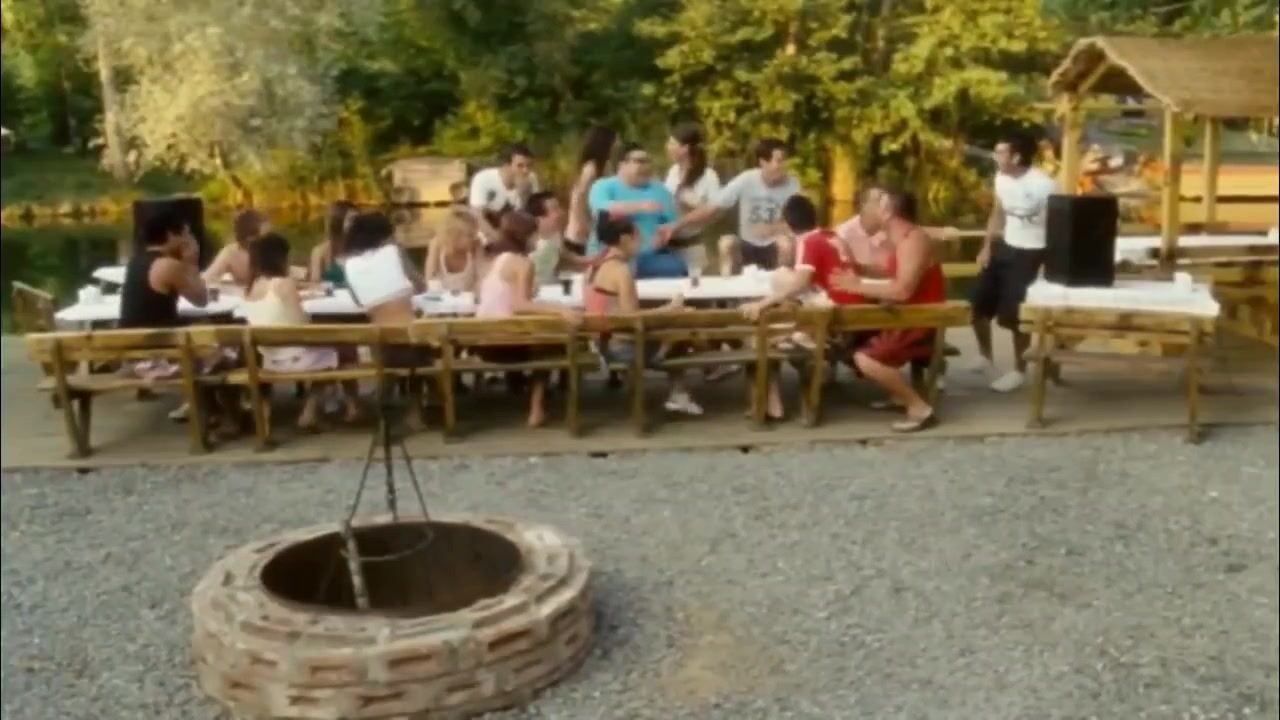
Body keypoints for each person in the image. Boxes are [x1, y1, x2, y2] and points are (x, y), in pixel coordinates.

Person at [828, 190, 947, 432]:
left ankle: (920, 408)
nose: (864, 210)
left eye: (872, 204)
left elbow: (902, 290)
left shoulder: (912, 239)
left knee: (865, 358)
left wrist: (858, 285)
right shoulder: (900, 238)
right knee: (846, 341)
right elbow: (894, 273)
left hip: (919, 320)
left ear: (886, 210)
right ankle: (899, 395)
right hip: (904, 316)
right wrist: (858, 269)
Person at [585, 212, 703, 416]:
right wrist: (669, 309)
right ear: (625, 239)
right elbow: (632, 318)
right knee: (681, 335)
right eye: (637, 237)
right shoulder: (621, 271)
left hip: (602, 342)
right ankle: (679, 394)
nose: (641, 243)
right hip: (621, 348)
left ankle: (679, 394)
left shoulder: (597, 266)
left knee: (676, 328)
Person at [241, 233, 361, 429]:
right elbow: (301, 325)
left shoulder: (252, 287)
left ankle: (339, 408)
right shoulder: (284, 284)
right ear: (280, 258)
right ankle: (325, 409)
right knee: (342, 348)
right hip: (294, 357)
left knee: (333, 350)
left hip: (270, 358)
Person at [474, 211, 582, 428]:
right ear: (525, 236)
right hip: (508, 344)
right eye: (535, 235)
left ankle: (528, 397)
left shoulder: (495, 261)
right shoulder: (523, 263)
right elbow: (520, 306)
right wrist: (559, 309)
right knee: (552, 345)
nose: (538, 240)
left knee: (542, 339)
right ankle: (536, 408)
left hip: (483, 343)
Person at [970, 132, 1057, 393]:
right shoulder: (1001, 178)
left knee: (1013, 315)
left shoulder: (1044, 185)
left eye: (1001, 152)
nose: (995, 157)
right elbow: (997, 213)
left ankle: (1019, 370)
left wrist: (1049, 263)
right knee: (977, 305)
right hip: (1005, 245)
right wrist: (986, 247)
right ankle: (985, 356)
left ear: (1016, 157)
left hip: (1031, 251)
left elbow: (1059, 224)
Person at [660, 137, 801, 276]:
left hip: (774, 244)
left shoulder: (792, 185)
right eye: (779, 161)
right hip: (747, 243)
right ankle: (727, 288)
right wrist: (676, 226)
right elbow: (712, 207)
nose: (783, 166)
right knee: (726, 243)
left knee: (786, 245)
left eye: (784, 161)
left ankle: (782, 283)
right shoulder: (747, 179)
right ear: (763, 162)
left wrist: (773, 229)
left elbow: (800, 224)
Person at [341, 211, 429, 370]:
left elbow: (359, 302)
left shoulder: (349, 265)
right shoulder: (394, 252)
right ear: (385, 236)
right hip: (412, 339)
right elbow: (422, 285)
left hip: (381, 346)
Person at [588, 142, 683, 279]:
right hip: (611, 255)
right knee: (619, 273)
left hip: (649, 256)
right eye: (640, 161)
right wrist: (640, 206)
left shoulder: (660, 191)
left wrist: (666, 233)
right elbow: (600, 209)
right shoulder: (604, 186)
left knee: (678, 268)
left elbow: (672, 221)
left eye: (648, 161)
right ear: (622, 165)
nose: (646, 166)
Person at [663, 123, 721, 275]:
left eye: (672, 143)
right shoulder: (673, 171)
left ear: (685, 148)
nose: (667, 147)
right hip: (667, 246)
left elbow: (714, 210)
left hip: (691, 246)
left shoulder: (708, 176)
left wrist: (691, 203)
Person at [565, 126, 617, 257]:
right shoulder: (591, 168)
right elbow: (578, 196)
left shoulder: (606, 166)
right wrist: (582, 223)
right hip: (582, 230)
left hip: (595, 224)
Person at [468, 143, 541, 216]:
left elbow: (535, 213)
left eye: (529, 165)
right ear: (506, 165)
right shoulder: (484, 179)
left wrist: (524, 195)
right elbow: (477, 214)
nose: (526, 171)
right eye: (520, 166)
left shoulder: (531, 178)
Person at [203, 209, 269, 287]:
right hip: (244, 293)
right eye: (265, 235)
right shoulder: (231, 252)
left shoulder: (272, 251)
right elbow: (208, 277)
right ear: (250, 237)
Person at [423, 209, 482, 293]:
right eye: (470, 235)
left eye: (475, 234)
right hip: (441, 298)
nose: (474, 238)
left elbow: (482, 278)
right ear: (455, 235)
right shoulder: (437, 244)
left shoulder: (476, 245)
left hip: (469, 298)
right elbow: (430, 278)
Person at [309, 201, 357, 286]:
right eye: (352, 220)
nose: (357, 223)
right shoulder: (321, 251)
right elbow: (315, 283)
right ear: (338, 222)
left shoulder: (362, 248)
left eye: (358, 219)